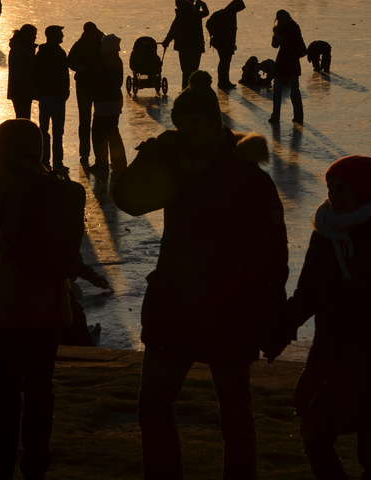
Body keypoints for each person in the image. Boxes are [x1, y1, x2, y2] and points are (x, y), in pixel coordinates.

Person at [112, 72, 288, 480]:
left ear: (215, 124)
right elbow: (127, 202)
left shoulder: (248, 175)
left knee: (235, 412)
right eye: (181, 122)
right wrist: (149, 156)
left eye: (196, 122)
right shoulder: (172, 165)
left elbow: (274, 250)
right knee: (153, 406)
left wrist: (271, 307)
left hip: (231, 310)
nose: (187, 129)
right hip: (174, 307)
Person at [0, 119, 86, 480]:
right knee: (40, 389)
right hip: (51, 304)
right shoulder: (59, 186)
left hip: (11, 303)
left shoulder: (1, 181)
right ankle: (35, 465)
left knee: (6, 389)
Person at [279, 156, 371, 480]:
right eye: (330, 188)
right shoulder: (324, 234)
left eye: (342, 189)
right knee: (314, 438)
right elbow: (307, 295)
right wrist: (275, 328)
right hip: (329, 356)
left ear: (364, 192)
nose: (334, 196)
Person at [67, 21, 104, 168]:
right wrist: (79, 68)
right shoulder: (81, 44)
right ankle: (85, 153)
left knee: (96, 120)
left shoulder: (100, 42)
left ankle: (98, 154)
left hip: (95, 85)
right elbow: (70, 61)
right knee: (85, 120)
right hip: (85, 85)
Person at [34, 24, 70, 173]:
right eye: (60, 34)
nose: (62, 36)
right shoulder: (59, 53)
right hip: (56, 96)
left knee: (44, 130)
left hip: (44, 96)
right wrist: (65, 92)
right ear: (53, 35)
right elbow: (63, 75)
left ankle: (44, 161)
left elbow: (36, 73)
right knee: (57, 131)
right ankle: (57, 163)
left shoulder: (41, 52)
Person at [91, 34, 127, 178]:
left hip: (104, 101)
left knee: (99, 133)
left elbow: (98, 80)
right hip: (115, 100)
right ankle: (119, 163)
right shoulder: (117, 59)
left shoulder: (104, 60)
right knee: (113, 131)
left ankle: (102, 163)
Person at [162, 0, 208, 91]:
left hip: (184, 47)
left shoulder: (181, 15)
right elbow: (206, 13)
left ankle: (185, 89)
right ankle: (194, 88)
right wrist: (202, 4)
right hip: (197, 45)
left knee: (186, 70)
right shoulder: (195, 12)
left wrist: (166, 41)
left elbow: (173, 30)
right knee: (194, 69)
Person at [269, 9, 305, 125]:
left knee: (294, 90)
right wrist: (277, 38)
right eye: (279, 19)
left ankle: (298, 116)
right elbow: (274, 45)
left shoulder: (294, 27)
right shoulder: (278, 28)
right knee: (277, 90)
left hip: (292, 60)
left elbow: (295, 42)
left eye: (282, 19)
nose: (280, 21)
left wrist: (282, 39)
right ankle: (275, 115)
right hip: (282, 61)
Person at [206, 0, 246, 91]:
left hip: (226, 43)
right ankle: (223, 82)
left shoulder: (229, 13)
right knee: (224, 62)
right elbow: (210, 24)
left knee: (225, 62)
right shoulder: (225, 14)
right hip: (223, 43)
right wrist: (215, 34)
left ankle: (224, 81)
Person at [7, 23, 38, 119]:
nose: (35, 37)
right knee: (22, 117)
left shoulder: (24, 47)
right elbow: (19, 71)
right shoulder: (19, 49)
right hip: (20, 90)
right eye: (33, 35)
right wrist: (29, 85)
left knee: (23, 116)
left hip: (22, 89)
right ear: (26, 35)